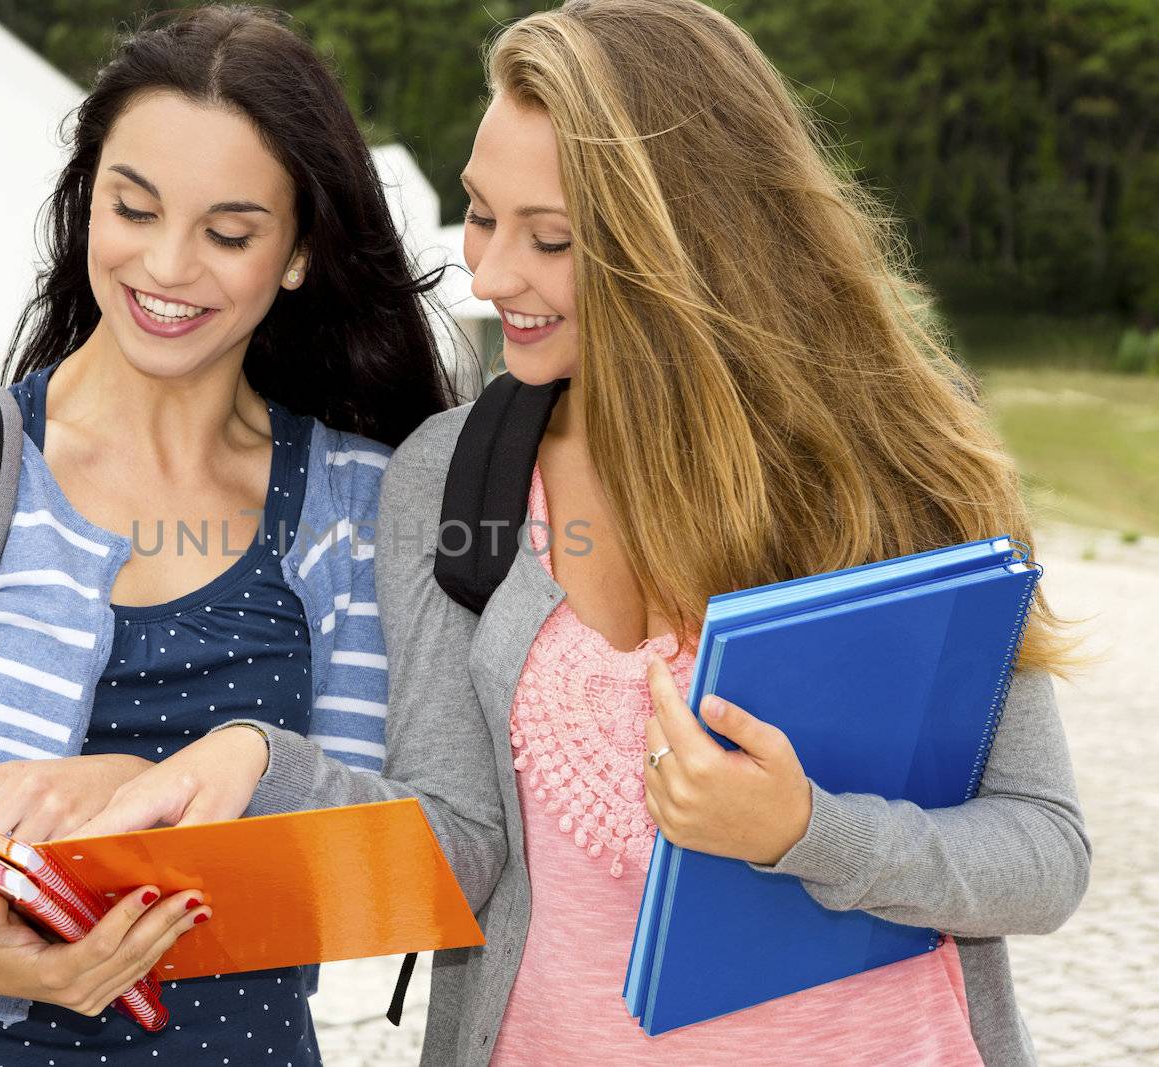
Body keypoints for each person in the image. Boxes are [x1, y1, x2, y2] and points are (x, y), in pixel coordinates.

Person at [86, 2, 1090, 1064]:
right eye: (480, 216)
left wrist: (802, 831)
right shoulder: (450, 475)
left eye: (550, 239)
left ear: (691, 237)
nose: (490, 273)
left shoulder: (900, 463)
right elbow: (459, 845)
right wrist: (257, 761)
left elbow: (1043, 853)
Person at [0, 6, 454, 1063]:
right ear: (85, 205)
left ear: (298, 254)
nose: (166, 265)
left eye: (230, 232)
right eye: (133, 208)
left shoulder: (353, 496)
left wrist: (126, 785)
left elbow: (370, 857)